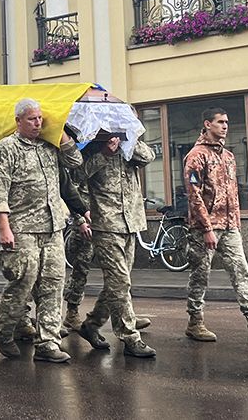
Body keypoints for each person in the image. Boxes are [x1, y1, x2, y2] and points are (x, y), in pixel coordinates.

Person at [0, 98, 83, 364]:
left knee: (53, 284)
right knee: (23, 282)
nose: (37, 123)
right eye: (31, 119)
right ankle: (3, 329)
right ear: (18, 121)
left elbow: (75, 160)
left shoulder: (50, 146)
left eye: (40, 118)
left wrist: (59, 129)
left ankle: (48, 343)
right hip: (23, 228)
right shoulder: (7, 148)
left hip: (53, 227)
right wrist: (3, 227)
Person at [183, 108, 248, 344]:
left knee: (241, 271)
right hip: (204, 228)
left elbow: (232, 193)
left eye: (227, 122)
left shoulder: (228, 157)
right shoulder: (196, 156)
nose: (225, 126)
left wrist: (236, 223)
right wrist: (207, 228)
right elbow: (194, 195)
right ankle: (195, 322)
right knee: (200, 276)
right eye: (220, 122)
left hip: (230, 226)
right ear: (207, 124)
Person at [73, 133, 157, 357]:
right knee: (120, 282)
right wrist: (104, 153)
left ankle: (91, 325)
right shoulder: (93, 147)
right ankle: (129, 337)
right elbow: (78, 175)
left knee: (117, 283)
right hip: (106, 224)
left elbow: (149, 156)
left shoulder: (130, 147)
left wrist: (129, 141)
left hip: (131, 223)